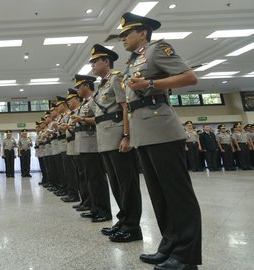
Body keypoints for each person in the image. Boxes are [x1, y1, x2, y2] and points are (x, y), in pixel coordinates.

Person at [119, 12, 202, 269]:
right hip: (144, 132)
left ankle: (186, 255)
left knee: (178, 194)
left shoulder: (157, 50)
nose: (123, 39)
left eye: (126, 33)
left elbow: (190, 77)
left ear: (142, 33)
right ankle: (169, 246)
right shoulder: (133, 61)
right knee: (159, 195)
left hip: (162, 129)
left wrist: (151, 82)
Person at [90, 44, 143, 242]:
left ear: (106, 61)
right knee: (116, 184)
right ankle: (123, 220)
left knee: (127, 184)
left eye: (96, 61)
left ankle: (133, 227)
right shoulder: (102, 85)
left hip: (118, 138)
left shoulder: (116, 78)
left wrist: (127, 135)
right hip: (105, 140)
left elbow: (125, 108)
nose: (93, 65)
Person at [71, 74, 112, 223]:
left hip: (93, 144)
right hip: (84, 144)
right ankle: (95, 208)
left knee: (97, 179)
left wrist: (82, 119)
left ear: (87, 86)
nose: (77, 90)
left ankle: (103, 211)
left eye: (79, 87)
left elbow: (100, 118)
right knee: (90, 179)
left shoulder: (94, 100)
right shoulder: (84, 103)